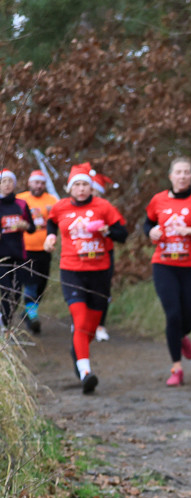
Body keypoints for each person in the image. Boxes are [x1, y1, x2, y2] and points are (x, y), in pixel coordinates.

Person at [44, 163, 128, 393]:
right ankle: (86, 372)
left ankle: (78, 350)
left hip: (99, 272)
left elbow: (123, 234)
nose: (81, 189)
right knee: (80, 320)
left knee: (89, 329)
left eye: (85, 185)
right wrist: (51, 237)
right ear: (70, 188)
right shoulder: (60, 208)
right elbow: (51, 221)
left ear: (91, 187)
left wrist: (107, 232)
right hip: (71, 270)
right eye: (77, 185)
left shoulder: (104, 206)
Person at [143, 157, 191, 386]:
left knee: (188, 319)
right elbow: (148, 224)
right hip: (164, 265)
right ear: (171, 176)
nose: (182, 176)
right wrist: (151, 232)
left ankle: (183, 335)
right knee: (173, 314)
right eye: (178, 172)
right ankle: (176, 368)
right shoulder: (158, 200)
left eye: (186, 172)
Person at [17, 170, 59, 334]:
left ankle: (28, 311)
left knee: (41, 284)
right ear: (29, 183)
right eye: (36, 182)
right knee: (31, 283)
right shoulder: (21, 199)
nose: (39, 185)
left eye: (42, 183)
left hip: (45, 250)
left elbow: (57, 221)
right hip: (24, 250)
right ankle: (32, 316)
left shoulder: (52, 200)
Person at [0, 169, 34, 332]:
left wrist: (25, 226)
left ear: (14, 184)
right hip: (1, 257)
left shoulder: (21, 204)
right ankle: (4, 327)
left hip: (18, 255)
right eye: (3, 181)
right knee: (5, 291)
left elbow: (32, 227)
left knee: (15, 294)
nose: (7, 184)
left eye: (10, 181)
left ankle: (5, 324)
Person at [88, 170, 116, 343]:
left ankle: (100, 326)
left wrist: (107, 230)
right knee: (82, 289)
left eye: (94, 191)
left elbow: (120, 231)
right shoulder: (75, 207)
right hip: (80, 255)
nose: (90, 193)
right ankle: (82, 322)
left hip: (105, 253)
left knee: (103, 291)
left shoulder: (107, 208)